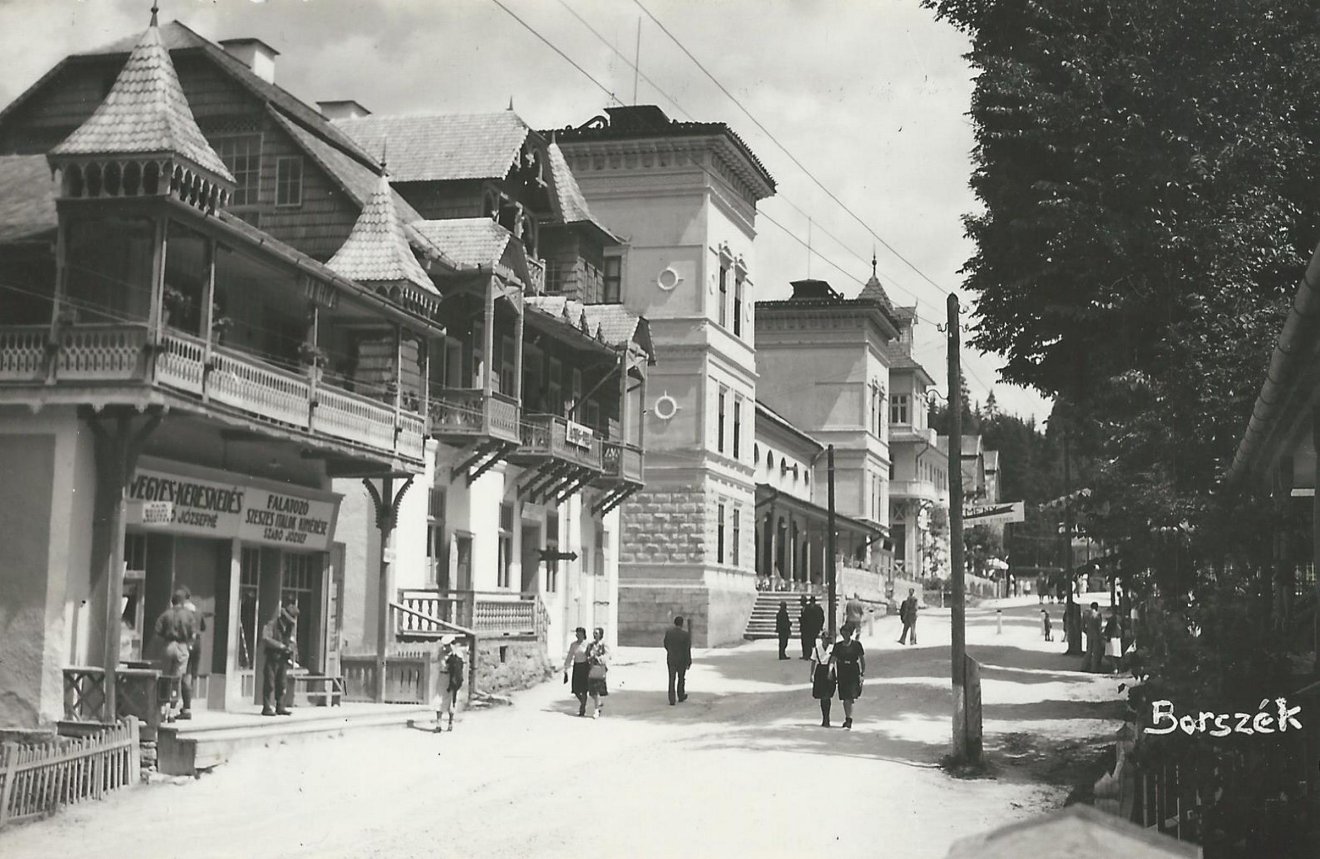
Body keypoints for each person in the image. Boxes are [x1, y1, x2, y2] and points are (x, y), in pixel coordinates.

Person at [153, 588, 196, 723]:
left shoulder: (166, 615)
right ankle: (172, 712)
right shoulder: (188, 615)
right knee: (177, 679)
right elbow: (193, 634)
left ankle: (163, 710)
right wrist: (188, 644)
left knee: (165, 677)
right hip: (182, 646)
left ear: (172, 601)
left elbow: (157, 632)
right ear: (183, 602)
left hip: (168, 645)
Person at [260, 602, 298, 717]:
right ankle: (266, 707)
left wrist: (291, 649)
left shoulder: (290, 627)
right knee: (269, 682)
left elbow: (292, 641)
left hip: (283, 659)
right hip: (273, 657)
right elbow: (266, 638)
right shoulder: (272, 624)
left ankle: (280, 706)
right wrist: (280, 646)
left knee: (282, 683)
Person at [832, 621, 866, 730]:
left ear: (850, 633)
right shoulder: (837, 646)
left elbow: (862, 660)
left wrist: (862, 674)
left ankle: (848, 718)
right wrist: (829, 670)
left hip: (853, 671)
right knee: (845, 697)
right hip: (842, 671)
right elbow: (833, 659)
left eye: (846, 632)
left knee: (850, 697)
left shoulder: (856, 645)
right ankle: (848, 718)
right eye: (843, 632)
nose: (844, 634)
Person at [179, 586, 206, 721]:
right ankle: (187, 704)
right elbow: (203, 627)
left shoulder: (182, 612)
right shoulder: (198, 611)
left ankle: (186, 707)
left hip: (186, 642)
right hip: (198, 643)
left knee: (185, 674)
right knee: (191, 674)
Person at [435, 636, 465, 731]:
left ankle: (450, 723)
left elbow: (460, 667)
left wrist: (454, 654)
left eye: (449, 645)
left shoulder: (457, 655)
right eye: (445, 646)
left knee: (452, 701)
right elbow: (441, 665)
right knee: (439, 701)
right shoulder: (442, 654)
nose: (447, 647)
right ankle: (439, 724)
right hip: (442, 678)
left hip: (452, 679)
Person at [810, 629, 836, 727]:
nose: (826, 640)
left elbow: (835, 660)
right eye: (824, 638)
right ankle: (825, 717)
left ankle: (827, 717)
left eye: (827, 639)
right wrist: (812, 674)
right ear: (821, 639)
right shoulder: (817, 649)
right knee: (822, 695)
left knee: (828, 695)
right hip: (820, 670)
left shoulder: (832, 648)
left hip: (829, 670)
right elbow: (813, 661)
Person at [663, 616, 692, 705]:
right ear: (682, 624)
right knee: (681, 678)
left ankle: (672, 699)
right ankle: (680, 695)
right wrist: (688, 661)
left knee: (671, 678)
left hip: (671, 658)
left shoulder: (669, 633)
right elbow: (687, 649)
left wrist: (671, 651)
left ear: (674, 623)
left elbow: (665, 644)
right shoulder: (686, 635)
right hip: (681, 659)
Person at [562, 626, 590, 716]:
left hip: (585, 667)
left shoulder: (587, 644)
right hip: (577, 667)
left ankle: (582, 708)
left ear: (583, 635)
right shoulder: (573, 645)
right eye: (577, 634)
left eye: (580, 634)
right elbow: (570, 656)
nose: (578, 635)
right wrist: (566, 667)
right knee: (576, 689)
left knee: (584, 689)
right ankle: (583, 702)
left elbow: (591, 655)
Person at [585, 626, 610, 719]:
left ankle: (596, 710)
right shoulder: (590, 645)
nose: (594, 635)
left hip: (599, 669)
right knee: (591, 692)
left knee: (596, 691)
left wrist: (598, 658)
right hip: (591, 669)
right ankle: (598, 703)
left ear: (600, 635)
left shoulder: (603, 645)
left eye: (596, 633)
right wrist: (589, 658)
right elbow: (586, 655)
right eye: (594, 633)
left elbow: (607, 656)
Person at [1084, 602, 1104, 672]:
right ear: (1097, 607)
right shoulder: (1098, 615)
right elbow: (1099, 626)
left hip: (1089, 633)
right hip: (1096, 634)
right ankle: (1094, 668)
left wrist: (1085, 631)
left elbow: (1083, 624)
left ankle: (1084, 666)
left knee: (1089, 651)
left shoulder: (1086, 614)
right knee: (1095, 652)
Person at [797, 596, 812, 660]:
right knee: (803, 641)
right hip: (803, 628)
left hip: (807, 628)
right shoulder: (802, 609)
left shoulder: (808, 608)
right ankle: (804, 654)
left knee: (807, 642)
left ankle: (808, 654)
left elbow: (808, 619)